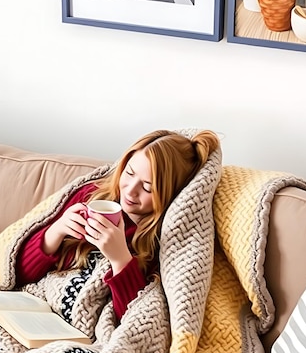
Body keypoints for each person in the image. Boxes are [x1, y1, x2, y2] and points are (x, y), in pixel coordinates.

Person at [15, 129, 220, 320]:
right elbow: (20, 275)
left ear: (169, 194)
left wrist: (120, 258)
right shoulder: (89, 197)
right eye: (129, 173)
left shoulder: (164, 239)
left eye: (147, 188)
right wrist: (56, 231)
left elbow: (135, 321)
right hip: (37, 309)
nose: (130, 191)